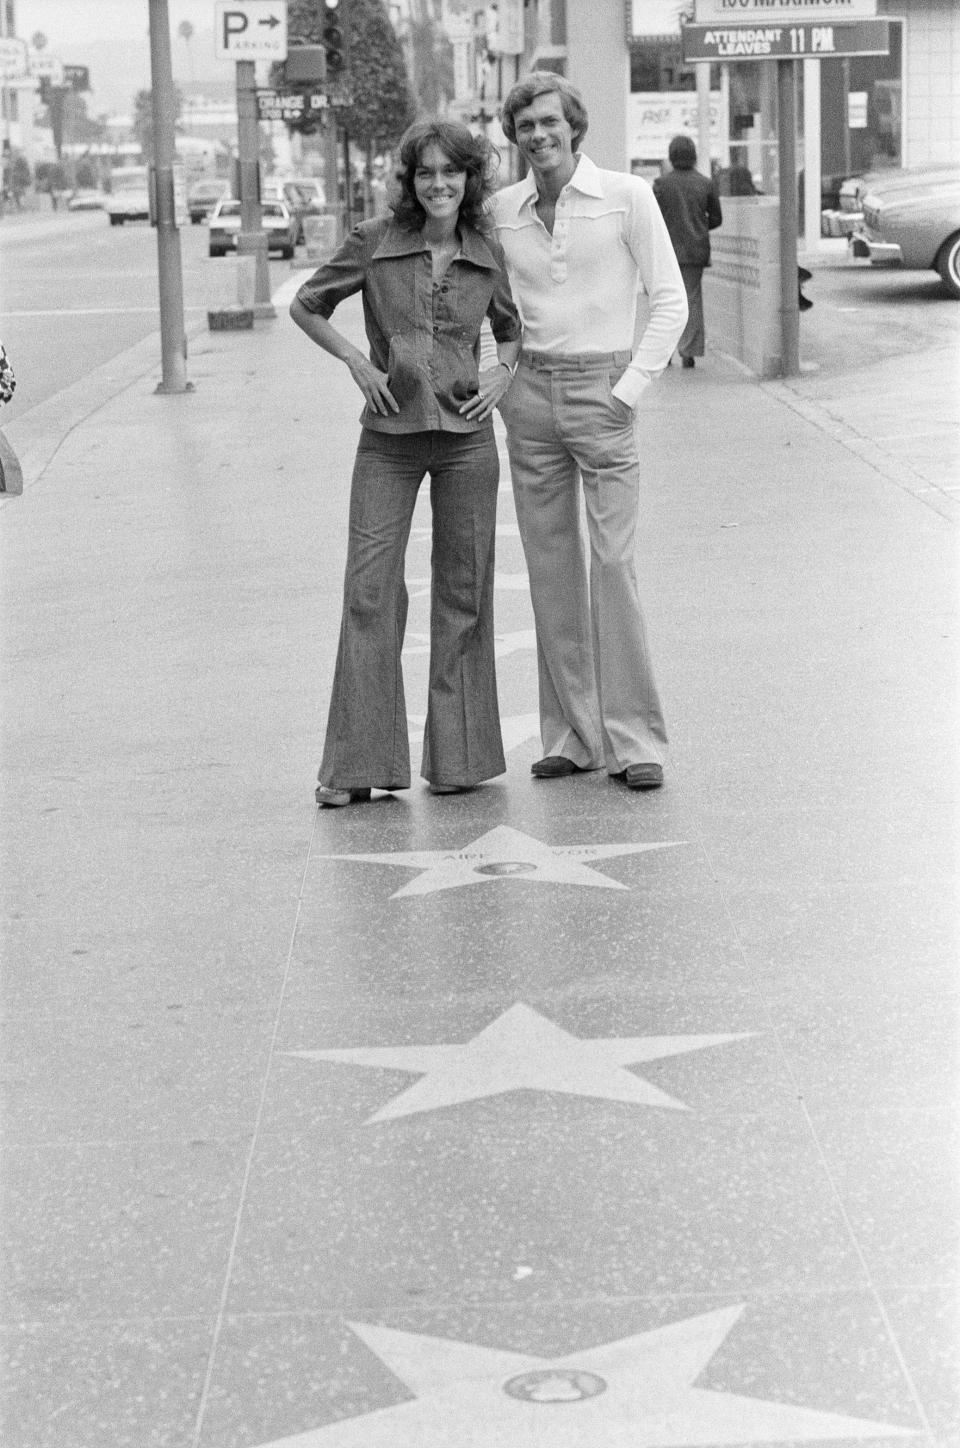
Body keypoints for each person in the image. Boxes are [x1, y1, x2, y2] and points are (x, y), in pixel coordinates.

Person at [290, 120, 522, 808]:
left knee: (464, 590)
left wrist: (501, 376)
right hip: (387, 438)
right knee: (370, 591)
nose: (439, 184)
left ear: (469, 180)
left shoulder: (487, 248)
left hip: (467, 441)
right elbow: (308, 305)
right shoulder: (374, 242)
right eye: (425, 173)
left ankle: (459, 760)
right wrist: (358, 361)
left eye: (451, 172)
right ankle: (356, 765)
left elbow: (511, 332)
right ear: (410, 181)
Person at [489, 73, 687, 793]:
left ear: (573, 125)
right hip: (531, 397)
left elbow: (670, 301)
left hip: (604, 390)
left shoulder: (628, 197)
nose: (537, 135)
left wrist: (628, 389)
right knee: (551, 575)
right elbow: (493, 311)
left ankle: (634, 740)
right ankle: (572, 735)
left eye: (549, 122)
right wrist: (501, 388)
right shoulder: (501, 210)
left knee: (612, 567)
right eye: (525, 126)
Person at [652, 134, 723, 369]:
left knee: (666, 300)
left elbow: (655, 218)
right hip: (696, 251)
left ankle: (666, 353)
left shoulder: (662, 184)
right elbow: (717, 218)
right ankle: (688, 352)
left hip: (667, 251)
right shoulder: (705, 183)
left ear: (672, 156)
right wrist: (701, 226)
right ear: (693, 156)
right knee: (691, 300)